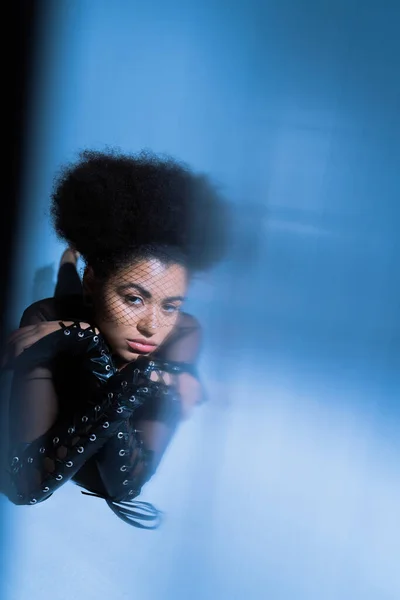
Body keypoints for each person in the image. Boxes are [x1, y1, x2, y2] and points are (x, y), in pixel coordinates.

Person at [3, 149, 228, 528]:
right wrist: (158, 376)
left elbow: (126, 485)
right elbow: (24, 485)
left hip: (84, 345)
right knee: (65, 297)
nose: (151, 327)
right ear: (96, 281)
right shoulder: (47, 317)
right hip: (78, 308)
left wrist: (89, 344)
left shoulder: (184, 333)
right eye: (134, 298)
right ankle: (68, 265)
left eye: (171, 305)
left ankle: (74, 271)